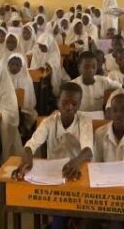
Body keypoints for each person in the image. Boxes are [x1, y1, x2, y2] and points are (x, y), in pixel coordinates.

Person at [14, 82, 93, 229]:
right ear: (58, 102)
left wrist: (76, 162)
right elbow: (31, 144)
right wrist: (28, 157)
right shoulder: (49, 122)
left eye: (74, 104)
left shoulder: (84, 121)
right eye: (65, 102)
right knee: (59, 210)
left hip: (77, 173)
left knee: (80, 212)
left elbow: (88, 149)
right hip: (55, 177)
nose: (69, 107)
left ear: (79, 105)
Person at [6, 53, 37, 131]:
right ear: (8, 64)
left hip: (22, 109)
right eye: (12, 64)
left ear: (21, 66)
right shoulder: (5, 78)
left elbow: (28, 98)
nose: (14, 67)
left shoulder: (25, 79)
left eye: (17, 65)